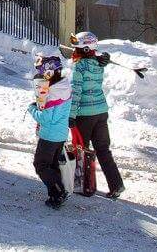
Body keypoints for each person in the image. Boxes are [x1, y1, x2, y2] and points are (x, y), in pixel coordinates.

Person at [68, 31, 124, 199]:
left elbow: (76, 92)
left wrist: (71, 116)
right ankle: (116, 185)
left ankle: (84, 185)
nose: (74, 52)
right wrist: (103, 58)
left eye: (76, 48)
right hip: (101, 112)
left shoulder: (79, 67)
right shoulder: (98, 64)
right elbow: (100, 59)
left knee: (81, 151)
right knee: (103, 149)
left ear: (84, 49)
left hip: (84, 115)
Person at [27, 52, 72, 209]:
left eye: (41, 72)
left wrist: (32, 109)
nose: (40, 75)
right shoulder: (63, 86)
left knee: (41, 165)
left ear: (49, 71)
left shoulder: (54, 93)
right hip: (59, 134)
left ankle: (59, 192)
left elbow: (46, 118)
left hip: (50, 135)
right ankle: (55, 195)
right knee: (51, 166)